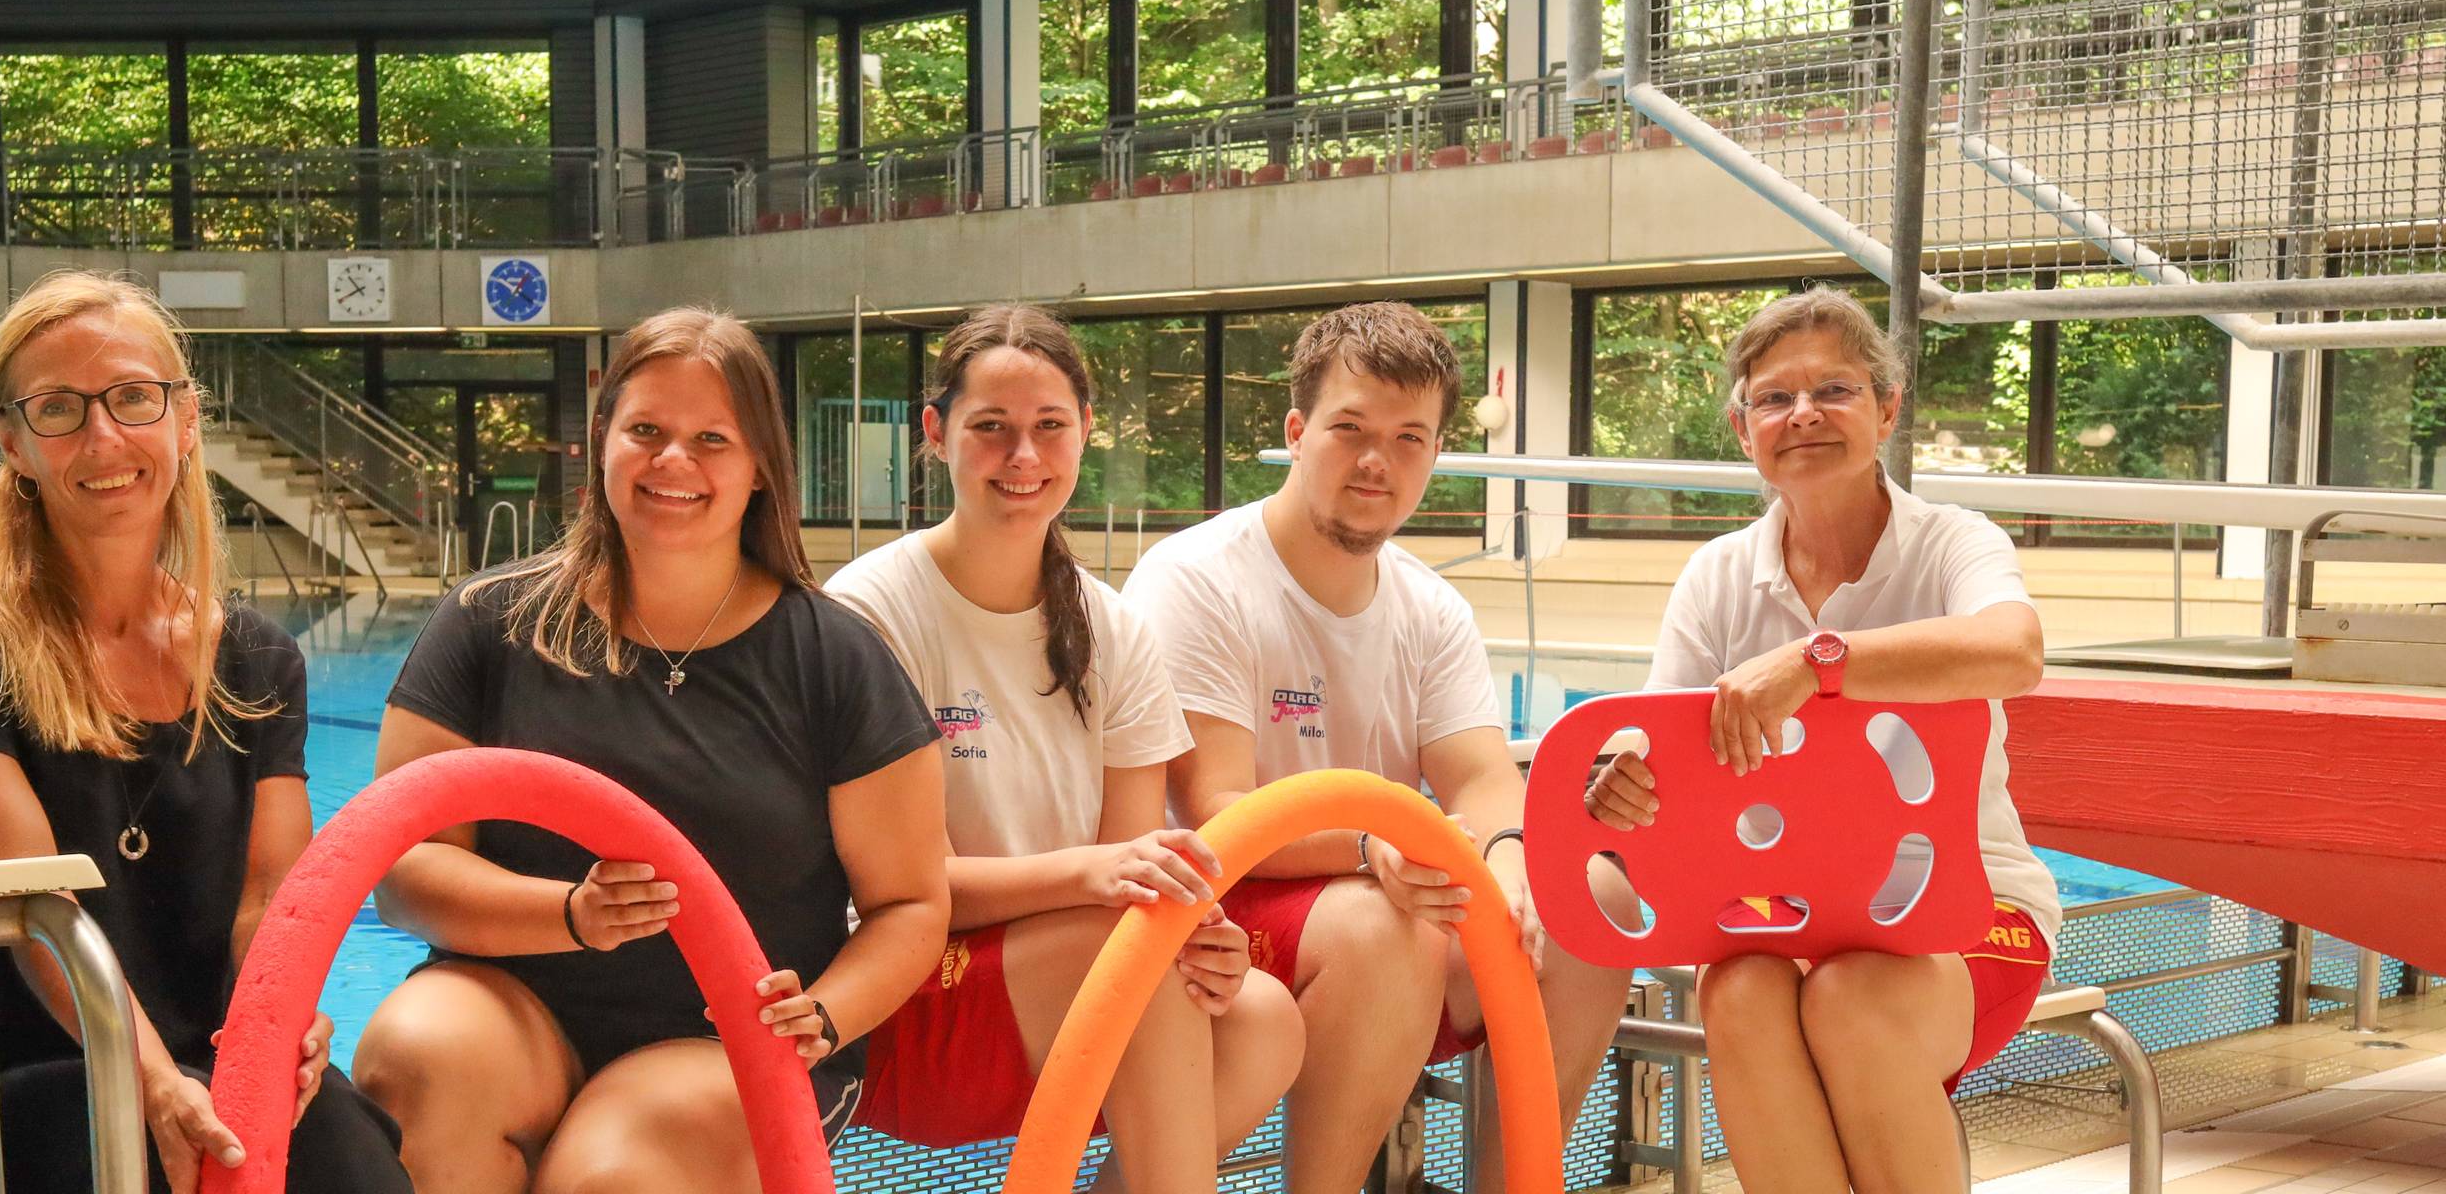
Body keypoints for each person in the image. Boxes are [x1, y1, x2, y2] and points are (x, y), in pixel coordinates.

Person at [351, 306, 949, 1194]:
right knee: (418, 1065)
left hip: (727, 1033)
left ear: (759, 472)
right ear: (603, 444)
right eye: (647, 431)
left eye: (713, 438)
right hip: (512, 1001)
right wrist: (567, 914)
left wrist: (823, 1014)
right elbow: (404, 866)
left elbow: (909, 904)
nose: (675, 461)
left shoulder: (835, 659)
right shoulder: (489, 624)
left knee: (616, 1175)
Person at [0, 270, 409, 1194]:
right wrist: (153, 1085)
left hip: (211, 1064)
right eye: (60, 409)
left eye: (131, 398)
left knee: (355, 1167)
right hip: (5, 1080)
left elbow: (268, 900)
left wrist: (277, 1033)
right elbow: (38, 912)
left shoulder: (257, 660)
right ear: (12, 441)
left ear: (185, 420)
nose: (104, 437)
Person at [1123, 301, 1632, 1193]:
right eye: (1349, 428)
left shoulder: (1429, 605)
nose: (1375, 462)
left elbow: (1479, 775)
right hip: (1233, 920)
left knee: (1592, 898)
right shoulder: (1198, 578)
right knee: (1382, 925)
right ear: (1296, 430)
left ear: (1436, 454)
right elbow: (1218, 811)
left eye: (1408, 439)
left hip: (1388, 905)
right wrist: (1374, 848)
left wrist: (1509, 866)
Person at [1588, 285, 2062, 1194]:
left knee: (1850, 999)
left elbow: (2016, 650)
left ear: (1886, 410)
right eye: (1774, 397)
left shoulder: (1953, 544)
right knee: (1738, 991)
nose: (1802, 413)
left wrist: (1818, 660)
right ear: (1743, 431)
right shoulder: (1718, 575)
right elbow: (1652, 755)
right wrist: (1623, 787)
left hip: (1969, 914)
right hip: (1785, 911)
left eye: (1834, 389)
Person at [824, 305, 1301, 1190]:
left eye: (1049, 427)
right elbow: (900, 886)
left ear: (1085, 430)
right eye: (991, 429)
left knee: (1264, 1015)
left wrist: (1199, 935)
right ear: (936, 433)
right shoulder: (871, 613)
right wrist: (1097, 880)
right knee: (1117, 953)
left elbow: (1134, 865)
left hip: (1066, 994)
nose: (1024, 458)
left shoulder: (1113, 629)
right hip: (902, 1006)